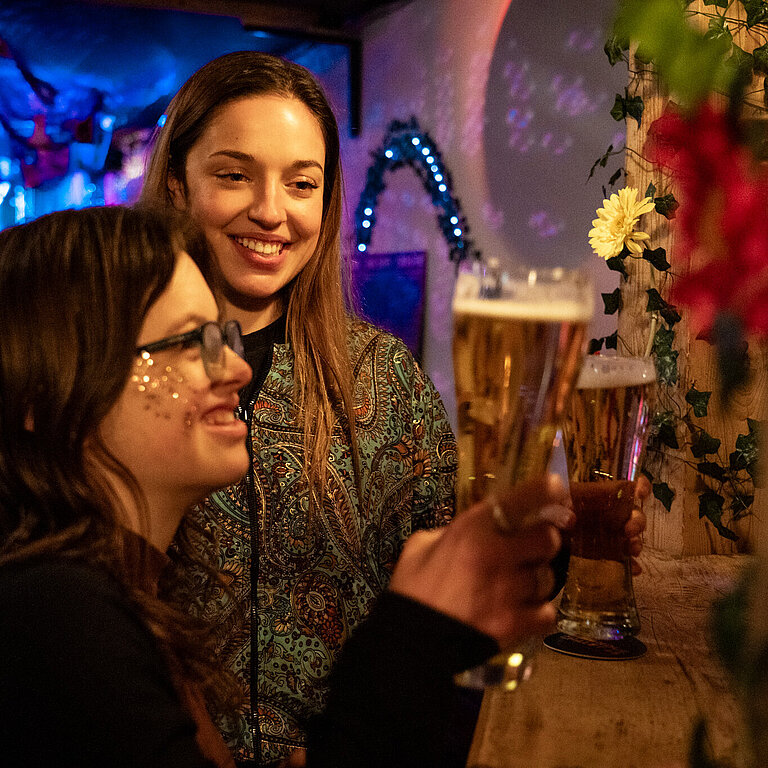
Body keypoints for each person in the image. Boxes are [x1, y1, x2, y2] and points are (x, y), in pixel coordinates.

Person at [140, 50, 649, 766]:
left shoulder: (382, 376)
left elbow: (456, 559)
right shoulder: (119, 376)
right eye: (233, 174)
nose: (270, 210)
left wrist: (572, 538)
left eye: (301, 183)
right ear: (175, 181)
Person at [0, 204, 568, 768]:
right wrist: (413, 636)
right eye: (188, 341)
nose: (238, 369)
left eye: (219, 335)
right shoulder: (53, 615)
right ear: (46, 391)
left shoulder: (130, 593)